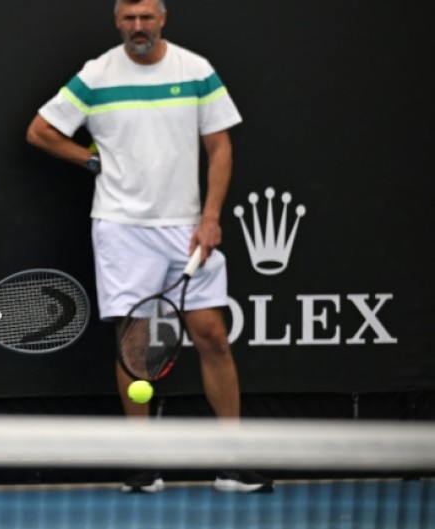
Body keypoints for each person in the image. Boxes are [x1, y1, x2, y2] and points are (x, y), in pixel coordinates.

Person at [26, 0, 272, 493]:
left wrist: (210, 218)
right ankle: (143, 463)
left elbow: (220, 146)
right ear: (117, 22)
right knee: (135, 346)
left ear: (163, 19)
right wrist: (91, 161)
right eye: (129, 18)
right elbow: (40, 132)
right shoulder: (96, 75)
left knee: (212, 336)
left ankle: (233, 460)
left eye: (147, 17)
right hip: (121, 228)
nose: (138, 27)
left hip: (187, 228)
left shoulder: (196, 69)